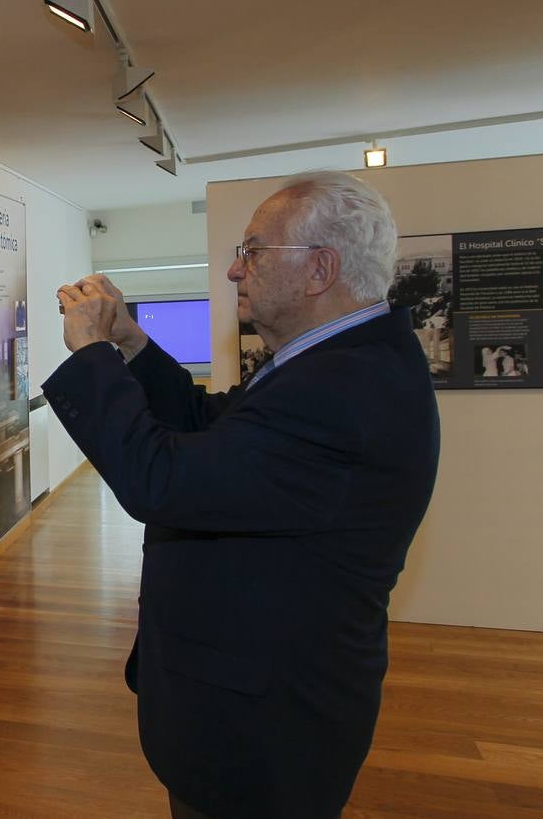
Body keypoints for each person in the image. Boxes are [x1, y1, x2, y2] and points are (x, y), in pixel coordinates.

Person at [42, 171, 440, 819]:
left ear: (319, 269)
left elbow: (160, 480)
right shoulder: (336, 364)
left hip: (260, 733)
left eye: (253, 251)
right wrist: (130, 343)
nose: (234, 270)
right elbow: (208, 424)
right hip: (257, 703)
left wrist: (92, 353)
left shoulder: (343, 390)